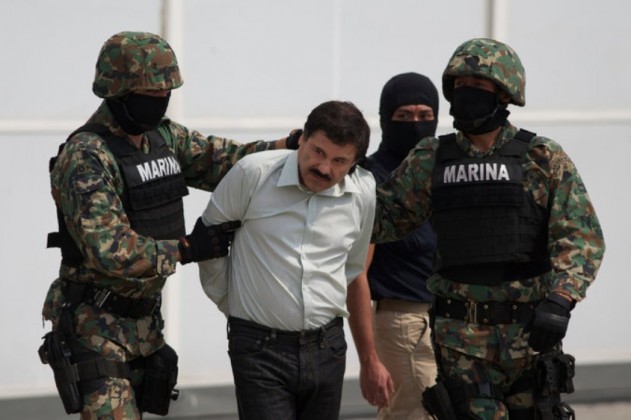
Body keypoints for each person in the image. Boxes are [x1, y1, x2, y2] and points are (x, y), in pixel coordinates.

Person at [40, 31, 292, 419]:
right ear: (118, 91)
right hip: (96, 329)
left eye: (165, 93)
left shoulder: (162, 136)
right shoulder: (87, 157)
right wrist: (188, 249)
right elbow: (110, 250)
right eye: (151, 94)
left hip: (145, 326)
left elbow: (222, 161)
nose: (161, 101)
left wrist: (286, 147)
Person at [371, 38, 606, 419]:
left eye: (477, 86)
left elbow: (581, 237)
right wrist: (338, 185)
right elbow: (383, 220)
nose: (466, 93)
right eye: (460, 85)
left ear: (504, 93)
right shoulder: (431, 158)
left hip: (530, 336)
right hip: (460, 339)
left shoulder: (541, 157)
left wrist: (561, 300)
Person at [198, 100, 393, 420]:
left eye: (339, 161)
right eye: (318, 151)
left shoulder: (363, 192)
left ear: (355, 163)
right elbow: (209, 244)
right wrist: (232, 304)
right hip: (259, 349)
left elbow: (352, 266)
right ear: (302, 138)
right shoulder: (252, 174)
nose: (324, 168)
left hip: (328, 348)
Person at [360, 72, 439, 420]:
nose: (416, 123)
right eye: (404, 115)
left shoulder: (441, 172)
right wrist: (368, 359)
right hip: (403, 324)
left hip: (450, 325)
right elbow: (356, 274)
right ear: (385, 118)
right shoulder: (372, 179)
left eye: (425, 115)